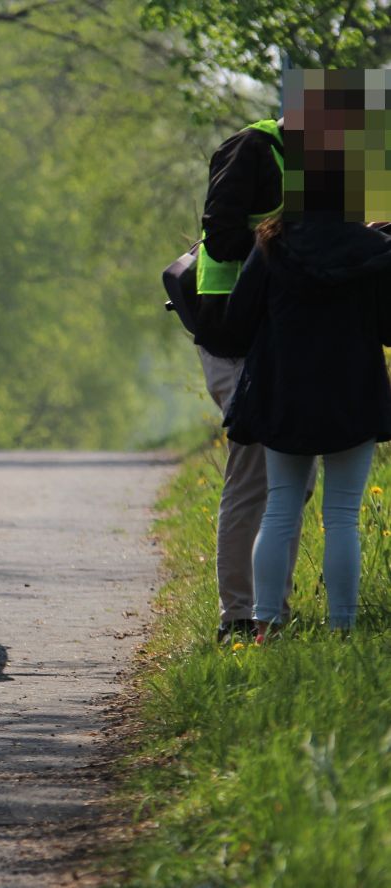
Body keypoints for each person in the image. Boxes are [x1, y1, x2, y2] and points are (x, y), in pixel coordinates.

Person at [222, 68, 391, 638]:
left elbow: (237, 322)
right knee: (342, 516)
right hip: (352, 395)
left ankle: (266, 624)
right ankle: (342, 628)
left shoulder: (270, 243)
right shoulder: (375, 251)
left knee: (280, 508)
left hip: (284, 395)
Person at [193, 115, 291, 642]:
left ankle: (273, 611)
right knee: (254, 474)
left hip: (279, 339)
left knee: (291, 482)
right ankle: (237, 615)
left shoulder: (328, 159)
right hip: (231, 336)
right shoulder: (250, 148)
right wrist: (292, 234)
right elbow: (222, 237)